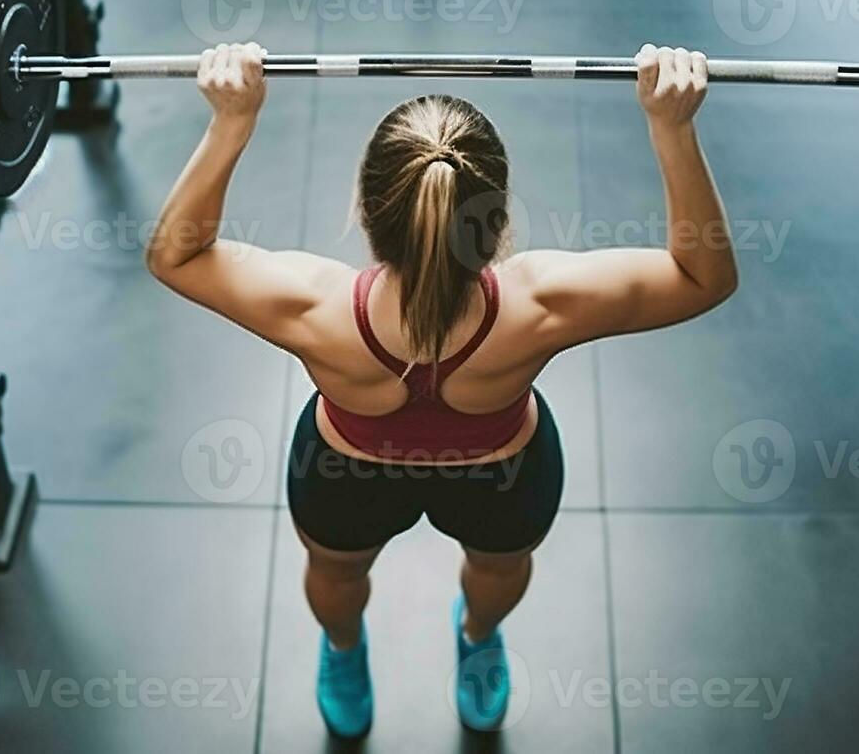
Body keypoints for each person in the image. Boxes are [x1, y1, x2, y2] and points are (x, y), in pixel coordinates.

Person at [147, 42, 738, 736]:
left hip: (344, 475)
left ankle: (356, 649)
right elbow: (705, 279)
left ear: (367, 212)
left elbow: (174, 253)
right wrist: (671, 125)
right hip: (502, 477)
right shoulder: (542, 303)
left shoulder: (313, 308)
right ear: (497, 222)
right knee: (499, 567)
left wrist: (231, 120)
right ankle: (475, 636)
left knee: (336, 577)